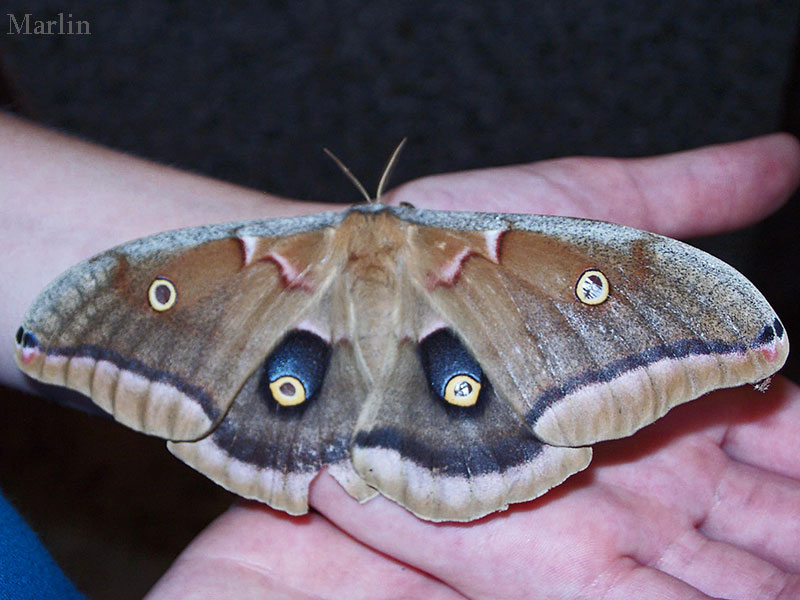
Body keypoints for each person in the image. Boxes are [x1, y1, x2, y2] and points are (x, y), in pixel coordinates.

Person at [2, 112, 799, 599]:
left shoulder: (291, 255)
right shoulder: (475, 249)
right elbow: (136, 299)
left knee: (431, 381)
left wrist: (698, 314)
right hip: (400, 359)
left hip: (375, 358)